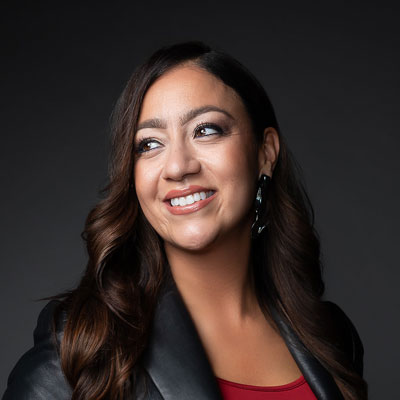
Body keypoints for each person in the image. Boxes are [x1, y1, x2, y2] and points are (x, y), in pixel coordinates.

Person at [2, 41, 368, 400]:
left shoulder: (332, 336)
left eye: (205, 130)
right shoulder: (85, 345)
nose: (178, 167)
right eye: (149, 144)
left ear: (265, 153)